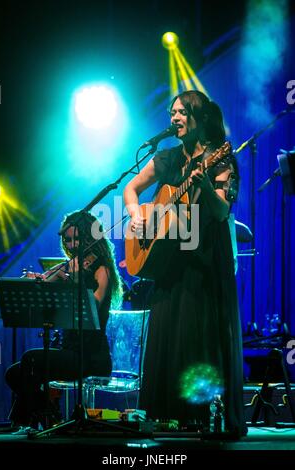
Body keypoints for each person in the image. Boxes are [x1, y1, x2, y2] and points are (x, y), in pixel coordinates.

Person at [124, 90, 246, 437]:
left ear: (199, 117)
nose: (174, 118)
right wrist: (138, 218)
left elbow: (222, 211)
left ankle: (205, 418)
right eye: (171, 112)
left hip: (204, 259)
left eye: (181, 112)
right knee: (168, 332)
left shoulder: (221, 159)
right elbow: (131, 189)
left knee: (198, 333)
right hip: (168, 262)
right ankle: (167, 416)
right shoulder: (167, 158)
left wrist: (205, 187)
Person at [5, 210, 123, 429]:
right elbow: (45, 287)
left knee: (30, 359)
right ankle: (51, 415)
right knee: (13, 373)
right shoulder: (69, 267)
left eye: (76, 238)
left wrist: (76, 281)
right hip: (68, 351)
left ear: (89, 238)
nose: (71, 244)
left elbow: (94, 308)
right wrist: (37, 282)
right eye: (67, 239)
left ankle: (30, 423)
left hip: (90, 356)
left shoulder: (101, 270)